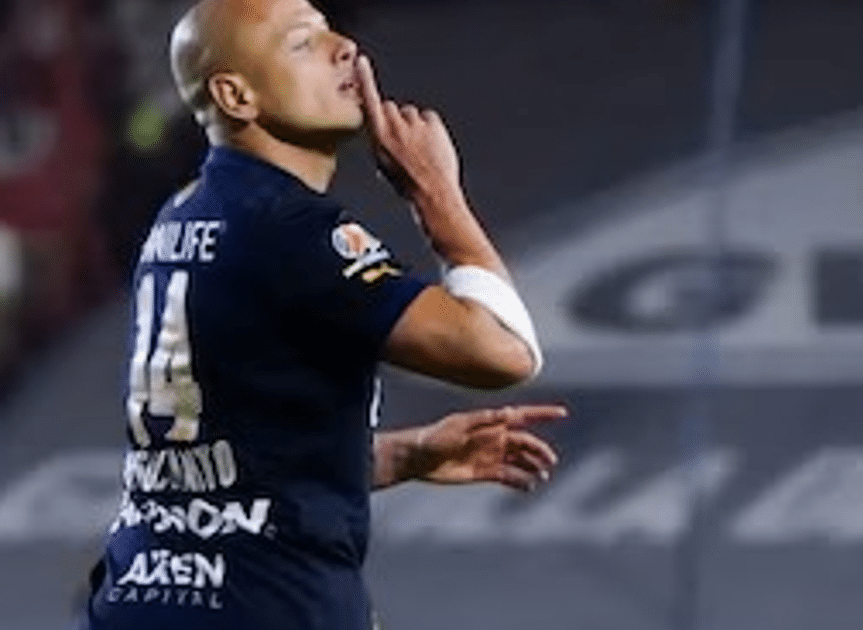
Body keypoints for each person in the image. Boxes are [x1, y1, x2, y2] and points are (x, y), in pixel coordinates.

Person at [80, 1, 567, 629]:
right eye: (301, 43)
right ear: (236, 95)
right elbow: (503, 350)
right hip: (265, 604)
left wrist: (409, 453)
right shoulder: (288, 227)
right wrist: (436, 195)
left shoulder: (183, 215)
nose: (343, 47)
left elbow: (233, 465)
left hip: (138, 598)